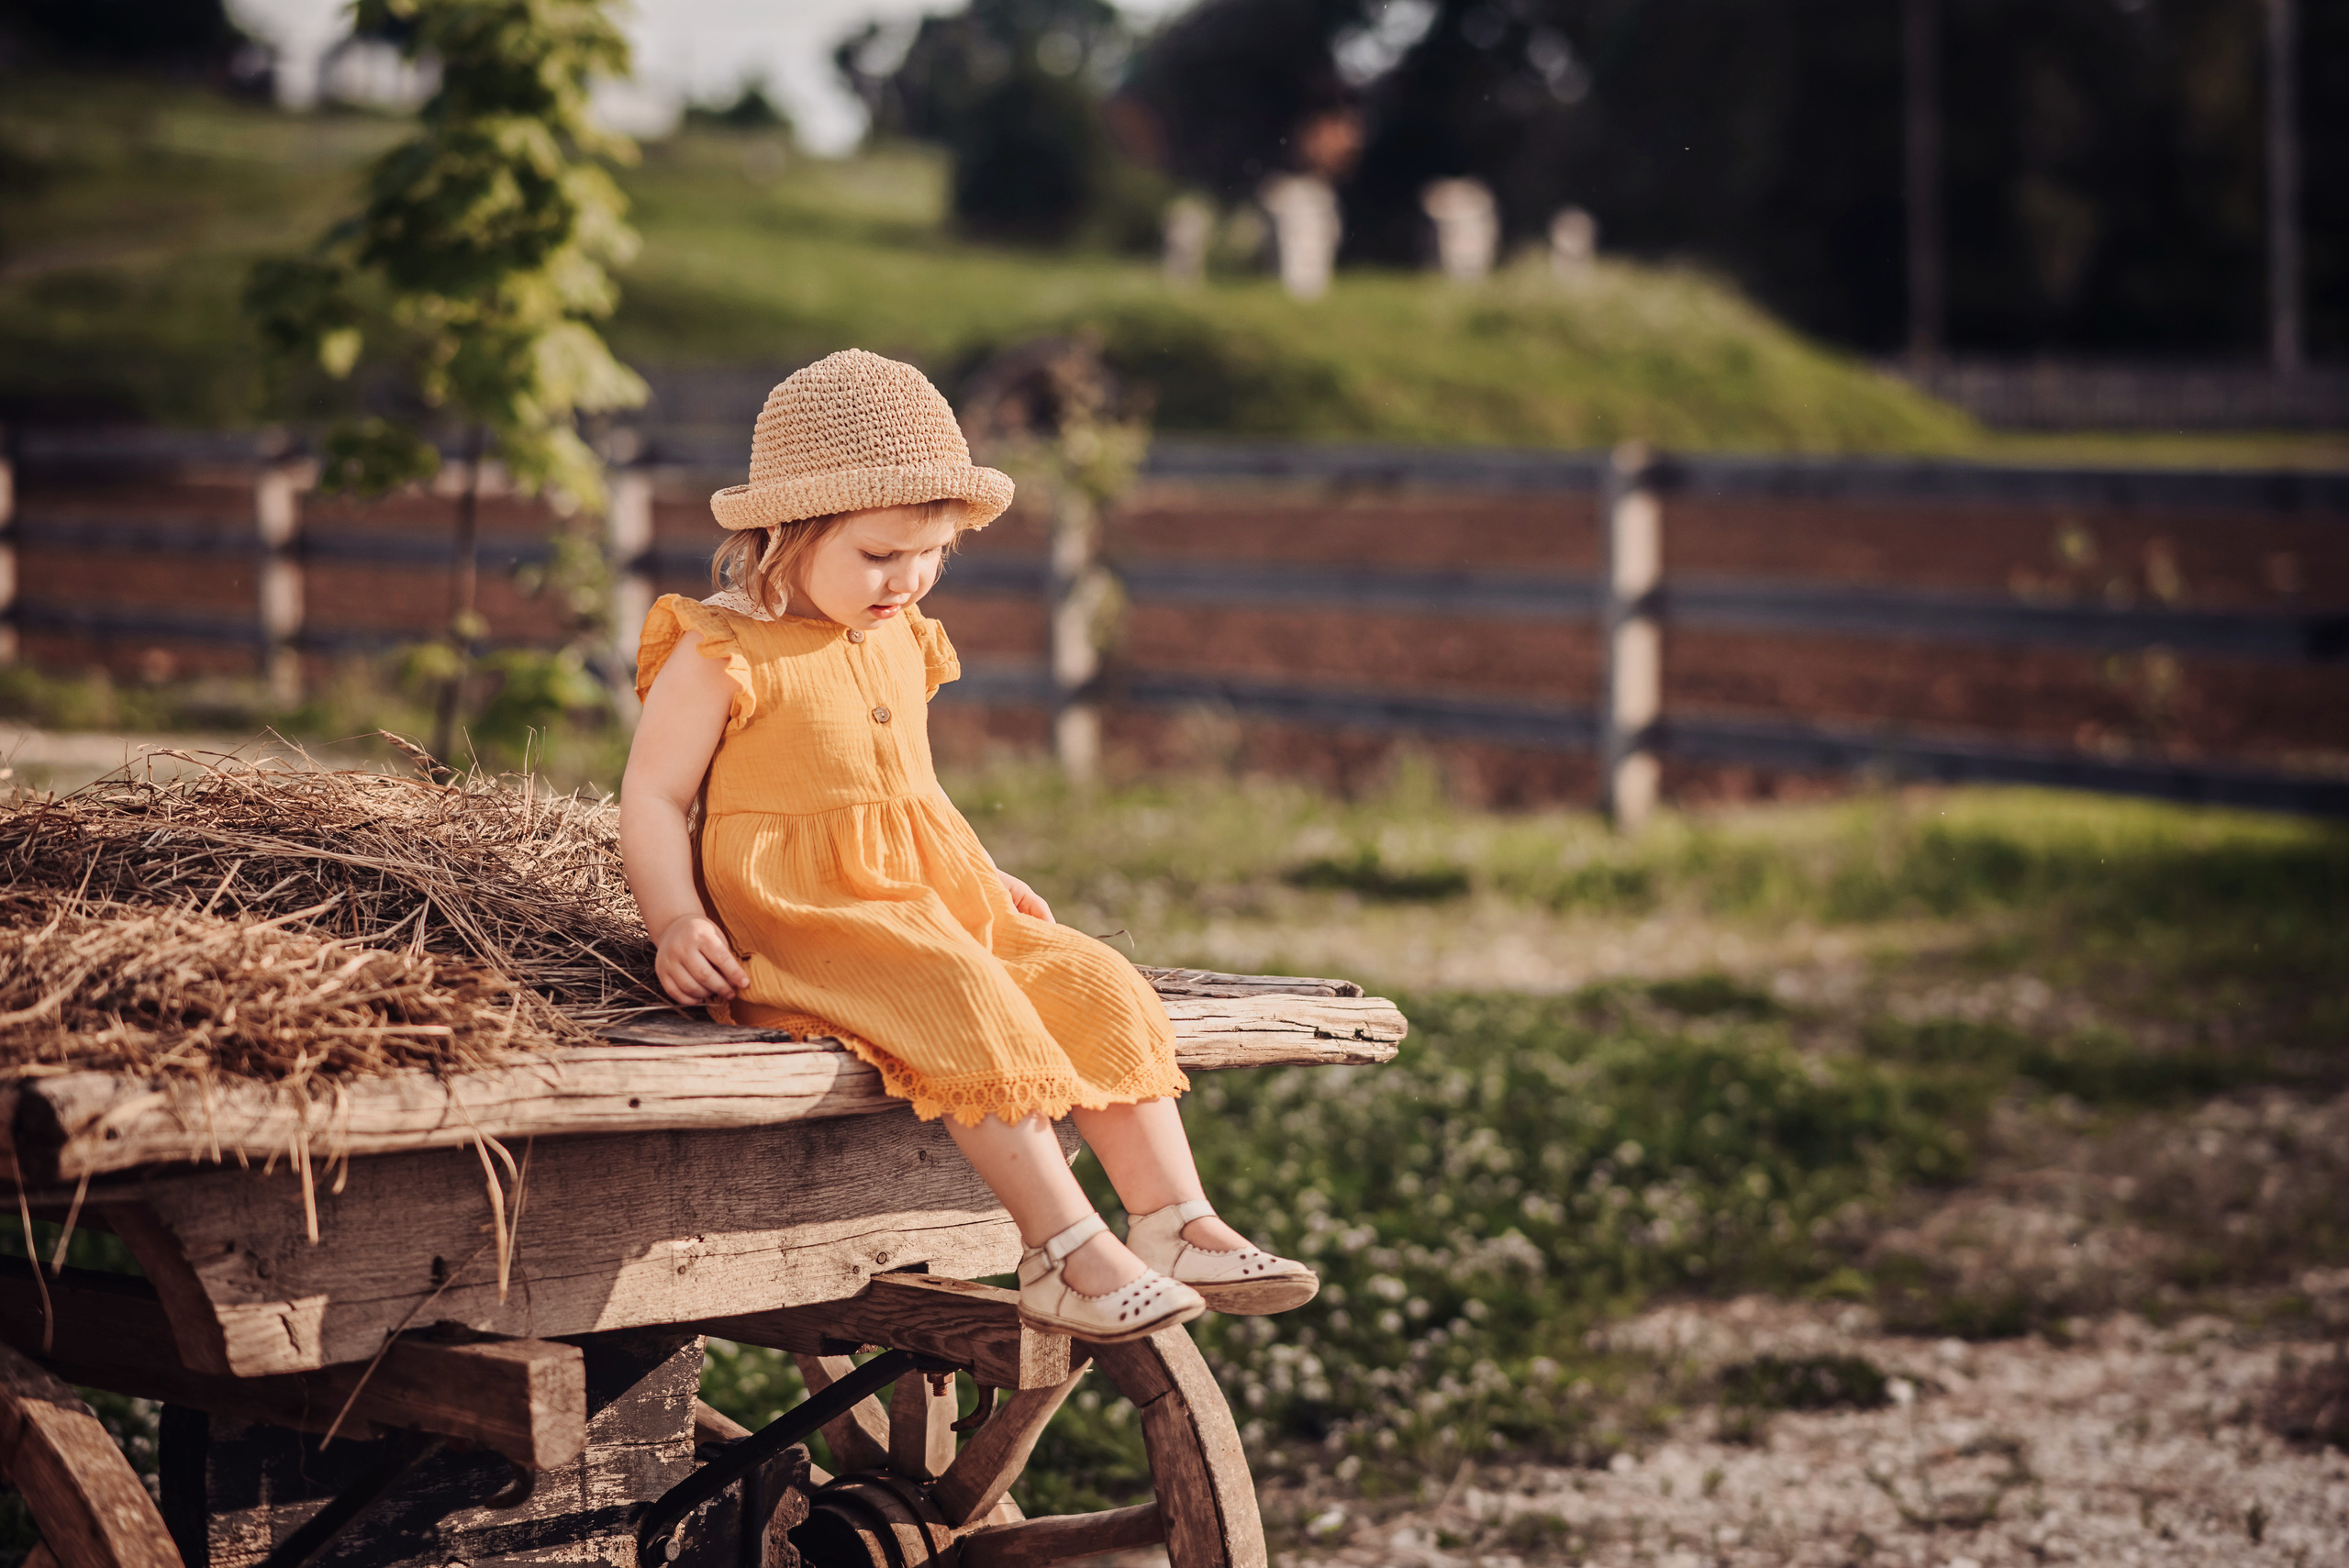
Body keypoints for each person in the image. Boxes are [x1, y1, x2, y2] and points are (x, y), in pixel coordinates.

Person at [618, 349, 1316, 1343]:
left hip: (922, 894)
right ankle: (1061, 1249)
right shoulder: (723, 648)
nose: (908, 578)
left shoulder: (902, 634)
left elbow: (912, 787)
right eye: (879, 553)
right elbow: (653, 795)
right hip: (806, 917)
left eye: (933, 552)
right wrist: (676, 920)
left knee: (1094, 979)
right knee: (961, 990)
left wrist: (980, 873)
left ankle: (1172, 1219)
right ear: (785, 532)